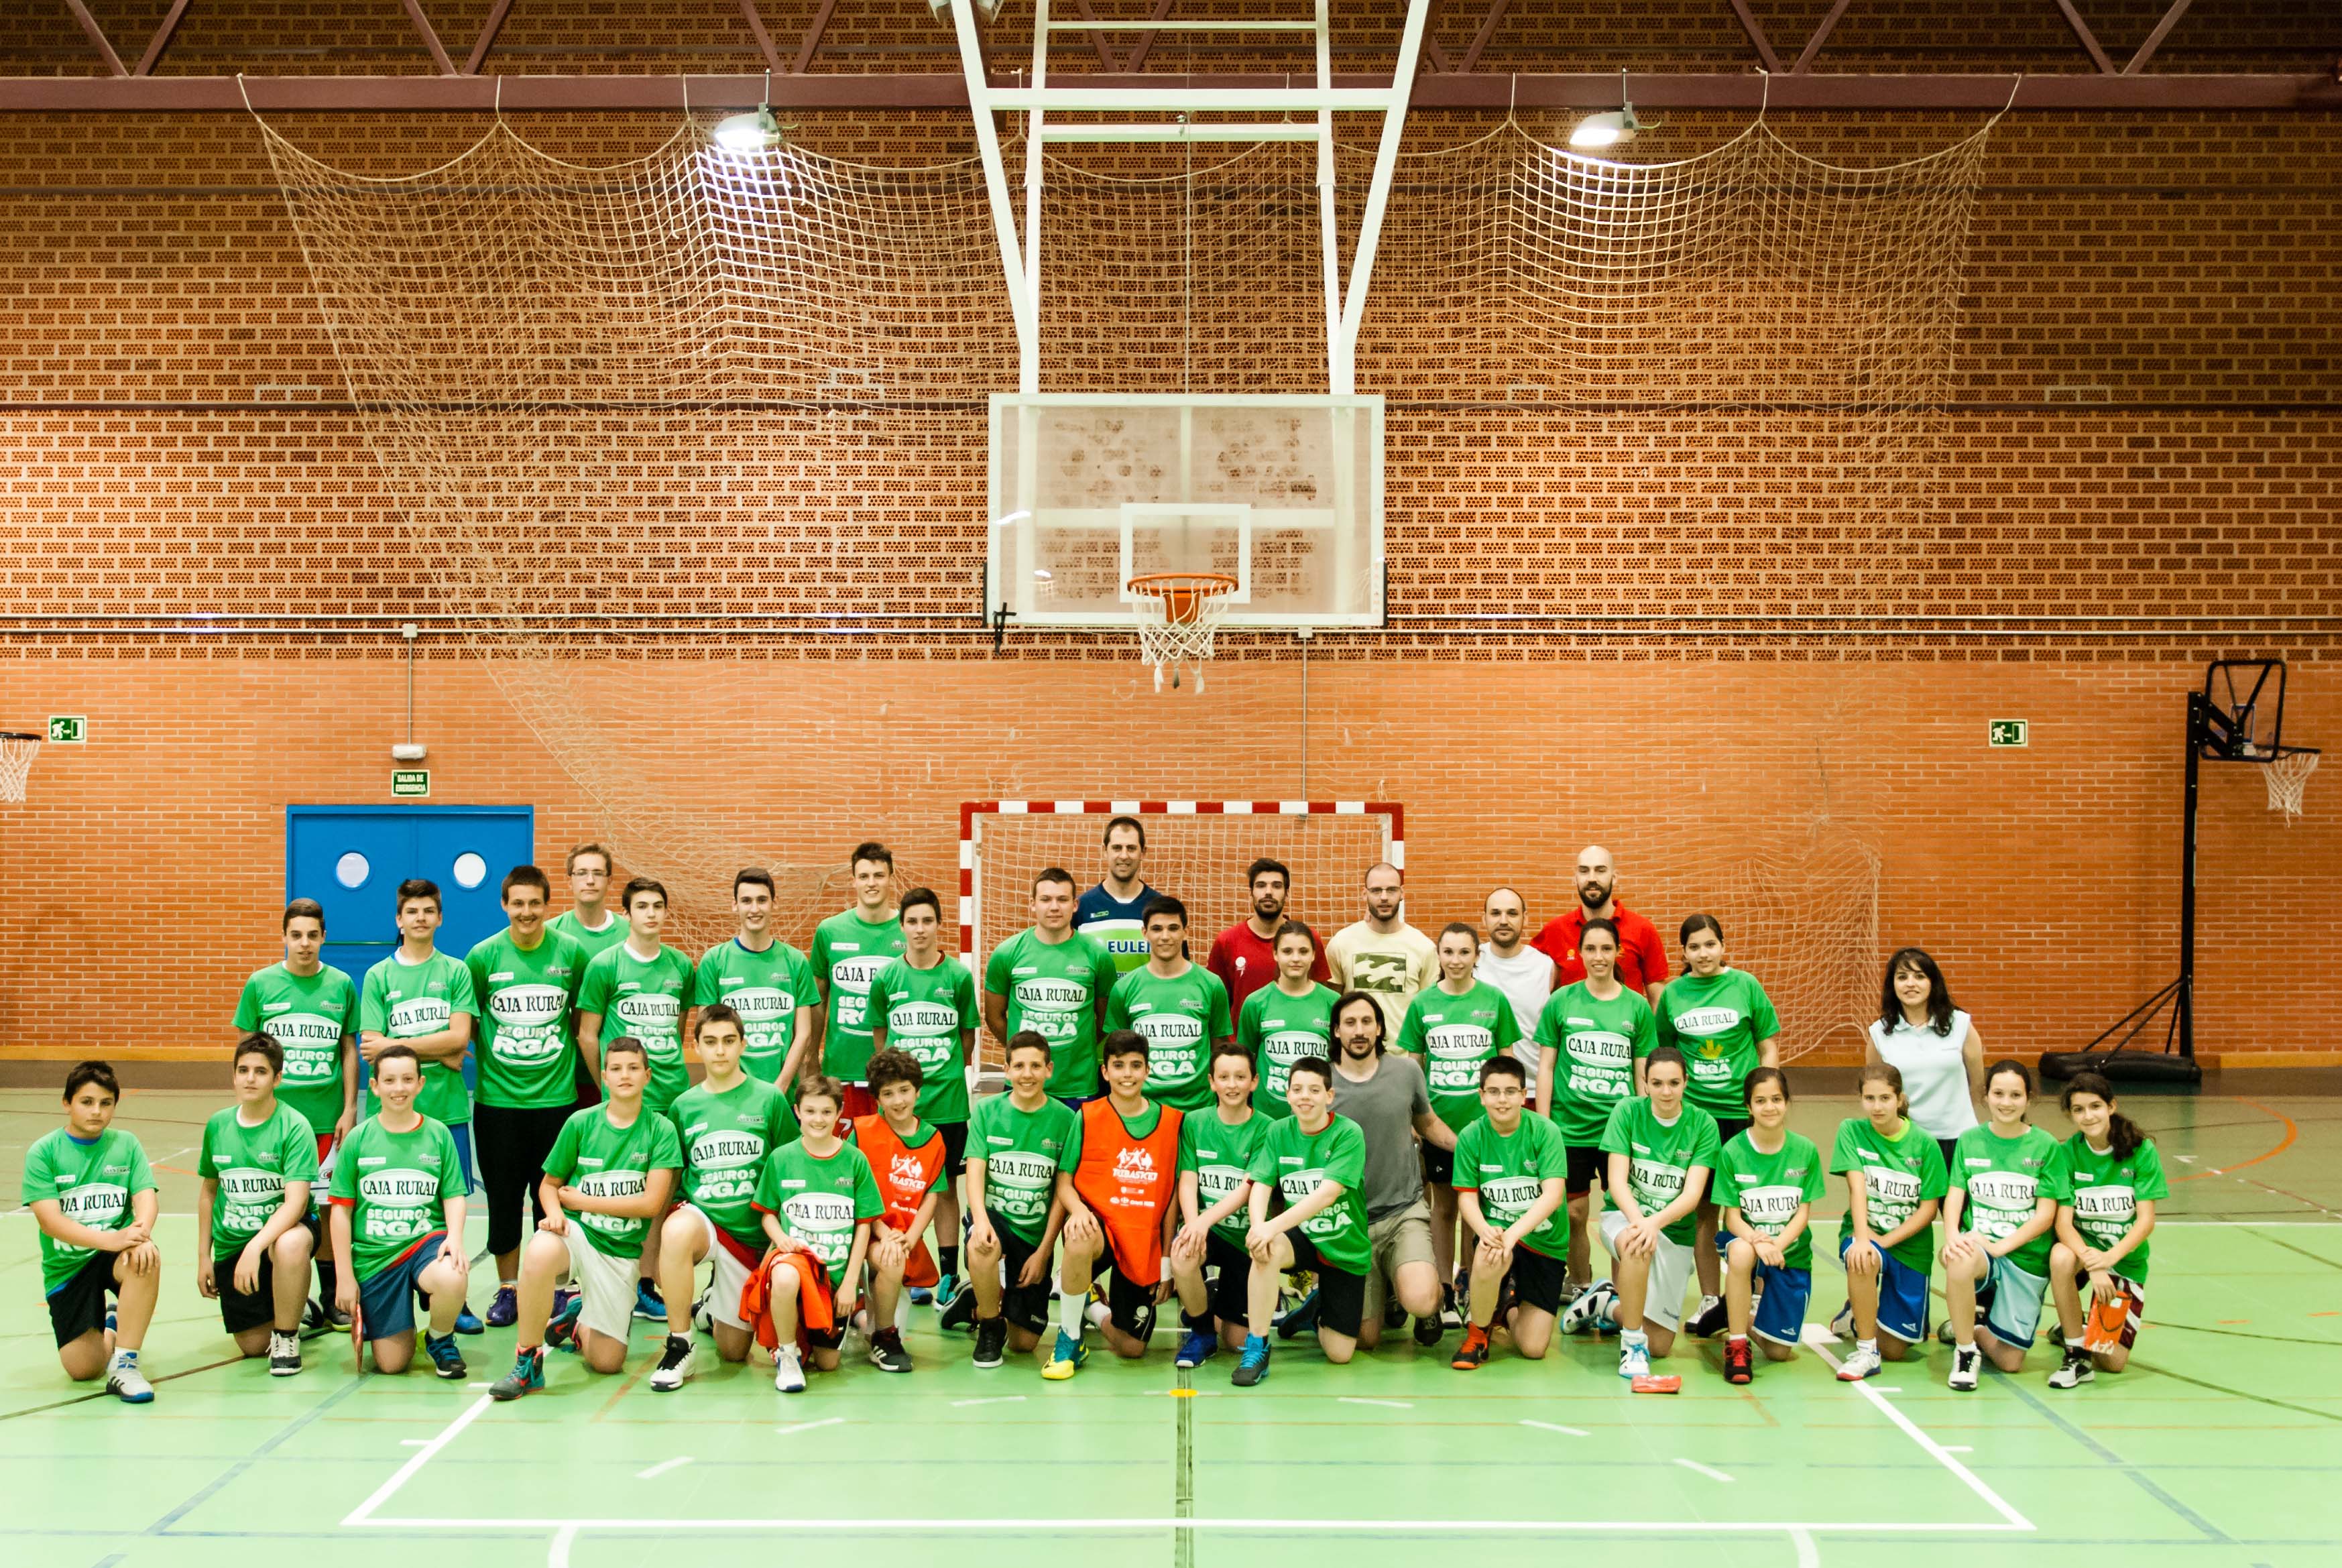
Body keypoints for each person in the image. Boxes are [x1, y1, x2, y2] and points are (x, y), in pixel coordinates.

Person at [489, 1038, 683, 1399]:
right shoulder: (581, 1122)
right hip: (580, 1234)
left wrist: (583, 1199)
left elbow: (652, 1204)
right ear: (604, 1076)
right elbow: (549, 1186)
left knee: (607, 1363)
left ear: (648, 1076)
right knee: (541, 1249)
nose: (625, 1075)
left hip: (621, 1253)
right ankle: (528, 1361)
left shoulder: (661, 1130)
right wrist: (558, 1214)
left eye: (633, 1068)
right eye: (616, 1069)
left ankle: (577, 1321)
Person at [651, 1005, 801, 1391]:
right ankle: (680, 1343)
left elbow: (790, 1169)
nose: (720, 1051)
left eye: (729, 1042)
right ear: (697, 1047)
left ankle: (710, 1306)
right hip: (705, 1221)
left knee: (734, 1352)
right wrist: (655, 1244)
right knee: (678, 1230)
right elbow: (675, 1179)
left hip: (751, 1236)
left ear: (743, 1045)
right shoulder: (684, 1106)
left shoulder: (769, 1100)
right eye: (711, 1042)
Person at [467, 865, 589, 1329]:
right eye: (517, 903)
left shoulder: (570, 953)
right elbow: (472, 1018)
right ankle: (509, 1288)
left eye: (534, 903)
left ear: (547, 904)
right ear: (504, 905)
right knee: (503, 1197)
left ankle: (556, 1288)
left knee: (551, 1200)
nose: (526, 912)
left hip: (557, 1100)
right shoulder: (482, 956)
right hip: (498, 1101)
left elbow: (580, 1017)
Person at [357, 878, 481, 1332]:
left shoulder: (456, 971)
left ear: (440, 916)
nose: (421, 918)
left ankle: (453, 1293)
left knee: (447, 1205)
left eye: (429, 910)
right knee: (396, 1201)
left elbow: (460, 1039)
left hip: (447, 1112)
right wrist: (438, 1050)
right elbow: (371, 1045)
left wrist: (399, 1045)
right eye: (412, 911)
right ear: (399, 919)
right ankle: (391, 1287)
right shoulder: (378, 976)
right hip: (389, 1119)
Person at [1652, 912, 1780, 1337]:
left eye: (1710, 944)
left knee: (1748, 1206)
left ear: (1722, 945)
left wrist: (1762, 1099)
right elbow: (1666, 1054)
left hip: (1740, 1116)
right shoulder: (1673, 995)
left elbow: (1767, 1045)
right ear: (1684, 953)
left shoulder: (1746, 986)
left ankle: (1755, 1293)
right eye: (1694, 947)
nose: (1703, 953)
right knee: (1704, 1211)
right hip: (1699, 1119)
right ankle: (1710, 1296)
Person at [233, 898, 358, 1326]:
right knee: (279, 1206)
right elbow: (248, 1053)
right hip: (277, 1121)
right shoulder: (261, 984)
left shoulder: (341, 984)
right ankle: (291, 1295)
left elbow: (348, 1048)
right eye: (296, 935)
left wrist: (349, 1106)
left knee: (327, 1206)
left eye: (312, 935)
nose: (304, 944)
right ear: (284, 937)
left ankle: (329, 1293)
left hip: (326, 1120)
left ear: (324, 936)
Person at [577, 876, 697, 1316]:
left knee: (662, 1200)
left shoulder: (682, 966)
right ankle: (600, 1280)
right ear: (626, 913)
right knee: (617, 1190)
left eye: (658, 906)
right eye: (642, 906)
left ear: (666, 912)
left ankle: (647, 1282)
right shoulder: (605, 965)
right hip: (625, 1102)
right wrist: (606, 1086)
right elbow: (588, 1035)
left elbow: (680, 1028)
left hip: (669, 1096)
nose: (651, 913)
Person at [1395, 923, 1520, 1325]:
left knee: (1480, 1208)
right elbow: (1414, 1066)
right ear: (1439, 956)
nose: (1455, 960)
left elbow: (1507, 1060)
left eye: (1464, 953)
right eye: (1448, 952)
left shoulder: (1494, 1001)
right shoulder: (1423, 1004)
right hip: (1441, 1127)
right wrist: (1414, 1119)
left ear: (1476, 957)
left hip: (1487, 1128)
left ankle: (1473, 1282)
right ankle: (1444, 1289)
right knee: (1444, 1207)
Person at [1047, 1030, 1185, 1378]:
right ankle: (1070, 1338)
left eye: (1135, 1066)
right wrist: (1078, 1211)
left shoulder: (1171, 1122)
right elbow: (1064, 1182)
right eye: (1118, 1066)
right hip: (1101, 1227)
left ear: (1147, 1070)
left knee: (1132, 1348)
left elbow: (1170, 1200)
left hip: (1143, 1237)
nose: (1127, 1074)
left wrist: (1166, 1262)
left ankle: (1091, 1307)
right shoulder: (1088, 1116)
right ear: (1105, 1072)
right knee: (1078, 1235)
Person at [868, 886, 980, 1312]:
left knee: (946, 1188)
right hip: (900, 1108)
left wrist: (946, 1072)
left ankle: (948, 1271)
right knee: (898, 1187)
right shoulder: (887, 978)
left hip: (947, 1101)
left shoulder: (957, 977)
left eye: (927, 921)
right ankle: (910, 1265)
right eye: (912, 921)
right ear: (902, 927)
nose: (919, 929)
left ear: (938, 925)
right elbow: (883, 1042)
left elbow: (967, 1037)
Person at [328, 1044, 471, 1378]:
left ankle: (439, 1338)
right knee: (392, 1364)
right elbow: (340, 1213)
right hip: (376, 1256)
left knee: (453, 1273)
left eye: (407, 1079)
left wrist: (456, 1238)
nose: (399, 1088)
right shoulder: (359, 1140)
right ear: (375, 1086)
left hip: (424, 1245)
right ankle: (396, 1320)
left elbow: (454, 1196)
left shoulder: (437, 1134)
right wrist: (345, 1277)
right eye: (390, 1080)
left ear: (420, 1083)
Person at [22, 1061, 161, 1401]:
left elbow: (145, 1198)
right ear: (67, 1103)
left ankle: (126, 1366)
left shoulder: (126, 1145)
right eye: (87, 1102)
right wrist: (111, 1238)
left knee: (146, 1256)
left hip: (113, 1255)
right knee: (83, 1370)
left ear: (115, 1104)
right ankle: (111, 1327)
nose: (97, 1111)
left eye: (106, 1103)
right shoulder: (44, 1152)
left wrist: (140, 1232)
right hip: (68, 1266)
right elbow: (50, 1222)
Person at [1536, 918, 1656, 1309]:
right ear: (1580, 953)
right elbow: (1547, 1067)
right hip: (1569, 1128)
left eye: (1607, 949)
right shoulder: (1562, 1001)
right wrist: (1543, 1124)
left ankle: (1622, 1297)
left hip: (1619, 1130)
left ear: (1617, 952)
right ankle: (1583, 1286)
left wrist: (1645, 1121)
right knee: (1573, 1212)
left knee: (1623, 1211)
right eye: (1591, 949)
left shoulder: (1636, 1006)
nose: (1599, 957)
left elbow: (1642, 1072)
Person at [1232, 1057, 1372, 1386]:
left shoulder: (1348, 1134)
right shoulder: (1279, 1131)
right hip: (1302, 1237)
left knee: (1340, 1354)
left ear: (1329, 1095)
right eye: (1297, 1089)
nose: (1304, 1096)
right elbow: (1261, 1183)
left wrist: (1271, 1226)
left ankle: (1314, 1310)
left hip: (1343, 1244)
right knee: (1265, 1249)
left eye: (1313, 1089)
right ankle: (1257, 1346)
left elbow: (1326, 1195)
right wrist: (1258, 1227)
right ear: (1288, 1093)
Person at [1328, 989, 1454, 1347]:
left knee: (1422, 1298)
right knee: (1366, 1339)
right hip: (1350, 1222)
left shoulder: (1405, 1071)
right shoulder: (1322, 1082)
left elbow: (1427, 1123)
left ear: (1380, 1028)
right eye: (1349, 1023)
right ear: (1336, 1031)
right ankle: (1385, 1292)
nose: (1359, 1030)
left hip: (1403, 1210)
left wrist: (1466, 1149)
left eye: (1367, 1022)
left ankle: (1423, 1299)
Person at [752, 1075, 883, 1392]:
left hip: (833, 1278)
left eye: (826, 1112)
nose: (818, 1119)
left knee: (828, 1363)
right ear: (797, 1111)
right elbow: (768, 1214)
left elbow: (864, 1224)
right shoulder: (781, 1158)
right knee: (785, 1273)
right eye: (810, 1111)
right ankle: (787, 1353)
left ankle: (807, 1336)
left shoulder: (854, 1160)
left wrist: (851, 1282)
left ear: (839, 1113)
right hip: (794, 1265)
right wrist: (780, 1239)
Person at [197, 1035, 320, 1376]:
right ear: (234, 1075)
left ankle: (287, 1335)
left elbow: (295, 1204)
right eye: (243, 1070)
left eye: (261, 1072)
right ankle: (295, 1302)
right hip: (234, 1242)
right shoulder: (218, 1125)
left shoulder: (294, 1126)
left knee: (291, 1242)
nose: (250, 1078)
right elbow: (208, 1192)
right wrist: (203, 1257)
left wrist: (256, 1246)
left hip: (279, 1236)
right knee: (252, 1346)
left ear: (277, 1079)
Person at [1598, 1045, 1720, 1378]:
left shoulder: (1703, 1124)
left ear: (1686, 1083)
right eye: (1657, 1083)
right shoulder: (1627, 1111)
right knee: (1638, 1245)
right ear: (1645, 1082)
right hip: (1624, 1218)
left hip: (1673, 1230)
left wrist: (1655, 1224)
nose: (1666, 1091)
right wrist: (1641, 1223)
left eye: (1674, 1083)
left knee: (1663, 1345)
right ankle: (1632, 1343)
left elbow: (1693, 1195)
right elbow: (1617, 1182)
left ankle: (1605, 1304)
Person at [2042, 1071, 2167, 1389]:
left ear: (2111, 1107)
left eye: (2095, 1106)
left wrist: (2109, 1260)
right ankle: (2075, 1353)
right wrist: (2092, 1261)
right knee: (2060, 1257)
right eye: (2078, 1109)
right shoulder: (2067, 1153)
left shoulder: (2141, 1151)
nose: (2088, 1116)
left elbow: (2146, 1221)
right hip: (2083, 1254)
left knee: (2112, 1362)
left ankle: (2077, 1326)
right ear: (2071, 1115)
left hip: (2122, 1258)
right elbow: (2063, 1223)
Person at [1940, 1059, 2059, 1391]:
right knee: (1960, 1258)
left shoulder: (2046, 1145)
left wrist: (2001, 1246)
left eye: (2015, 1095)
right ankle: (1966, 1354)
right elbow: (1955, 1195)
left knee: (2010, 1363)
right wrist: (1953, 1236)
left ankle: (1974, 1329)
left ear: (2028, 1099)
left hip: (2024, 1257)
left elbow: (2046, 1215)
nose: (2006, 1103)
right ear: (1986, 1096)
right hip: (1982, 1249)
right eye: (1998, 1094)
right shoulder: (1970, 1140)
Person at [1830, 1061, 1949, 1382]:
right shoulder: (1851, 1131)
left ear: (1900, 1099)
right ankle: (1867, 1351)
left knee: (1896, 1351)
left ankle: (1857, 1315)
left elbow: (1928, 1210)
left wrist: (1885, 1242)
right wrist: (1865, 1238)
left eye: (1885, 1098)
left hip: (1909, 1245)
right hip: (1867, 1232)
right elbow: (1857, 1189)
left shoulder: (1925, 1144)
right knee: (1862, 1257)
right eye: (1869, 1098)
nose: (1877, 1106)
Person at [964, 1032, 1077, 1370]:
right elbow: (974, 1174)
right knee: (981, 1246)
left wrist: (1044, 1252)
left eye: (1035, 1066)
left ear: (1049, 1070)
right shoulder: (986, 1111)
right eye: (1019, 1066)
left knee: (1024, 1345)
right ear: (1007, 1070)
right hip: (995, 1218)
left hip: (1033, 1235)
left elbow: (1062, 1192)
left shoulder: (1066, 1119)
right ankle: (988, 1323)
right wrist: (980, 1221)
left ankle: (972, 1299)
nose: (1027, 1074)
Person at [1450, 1057, 1570, 1369]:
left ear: (1523, 1094)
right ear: (1481, 1095)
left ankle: (1507, 1306)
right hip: (1499, 1237)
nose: (1501, 1100)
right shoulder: (1471, 1136)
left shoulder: (1546, 1132)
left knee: (1532, 1348)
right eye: (1493, 1092)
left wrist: (1514, 1234)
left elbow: (1553, 1195)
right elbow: (1467, 1199)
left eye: (1509, 1091)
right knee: (1491, 1254)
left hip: (1544, 1242)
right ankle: (1477, 1335)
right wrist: (1484, 1230)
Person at [1714, 1066, 1824, 1384]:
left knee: (1778, 1352)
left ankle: (1733, 1314)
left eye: (1776, 1099)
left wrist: (1776, 1245)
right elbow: (1731, 1218)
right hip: (1746, 1240)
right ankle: (1737, 1343)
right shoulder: (1733, 1151)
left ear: (1788, 1102)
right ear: (1748, 1107)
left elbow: (1803, 1214)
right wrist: (1757, 1241)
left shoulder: (1805, 1150)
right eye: (1760, 1101)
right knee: (1741, 1256)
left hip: (1789, 1249)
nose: (1769, 1107)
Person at [848, 1049, 949, 1373]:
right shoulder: (861, 1132)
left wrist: (912, 1236)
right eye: (888, 1094)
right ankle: (885, 1336)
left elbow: (933, 1196)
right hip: (862, 1231)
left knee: (895, 1256)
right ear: (877, 1098)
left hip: (903, 1236)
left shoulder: (933, 1139)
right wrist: (882, 1230)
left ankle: (866, 1320)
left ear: (918, 1091)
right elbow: (851, 1191)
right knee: (891, 1256)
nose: (898, 1101)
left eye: (904, 1090)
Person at [1170, 1042, 1269, 1368]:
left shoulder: (1266, 1128)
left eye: (1240, 1077)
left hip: (1244, 1239)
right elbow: (1188, 1179)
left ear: (1254, 1082)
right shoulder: (1195, 1123)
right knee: (1183, 1252)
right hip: (1208, 1229)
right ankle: (1201, 1333)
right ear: (1211, 1081)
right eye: (1224, 1077)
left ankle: (1211, 1296)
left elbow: (1247, 1188)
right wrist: (1192, 1224)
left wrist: (1202, 1221)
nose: (1232, 1085)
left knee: (1237, 1342)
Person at [984, 867, 1118, 1104]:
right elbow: (994, 1016)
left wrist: (1078, 1047)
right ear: (1033, 904)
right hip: (1022, 1082)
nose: (1054, 907)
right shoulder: (1007, 953)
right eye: (1046, 899)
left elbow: (1105, 1020)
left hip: (1077, 1085)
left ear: (1075, 905)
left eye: (1062, 899)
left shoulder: (1097, 955)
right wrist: (1020, 1052)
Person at [693, 867, 820, 1090]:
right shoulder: (713, 961)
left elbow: (804, 1034)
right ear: (735, 905)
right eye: (746, 901)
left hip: (783, 1093)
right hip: (730, 1092)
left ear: (774, 903)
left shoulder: (796, 961)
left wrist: (780, 1087)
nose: (755, 909)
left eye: (762, 900)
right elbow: (707, 1033)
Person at [1105, 896, 1234, 1113]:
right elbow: (1119, 1052)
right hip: (1143, 1109)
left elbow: (1219, 1048)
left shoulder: (1211, 984)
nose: (1165, 937)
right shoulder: (1124, 988)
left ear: (1186, 932)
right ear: (1145, 933)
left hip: (1197, 1110)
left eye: (1173, 928)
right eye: (1157, 929)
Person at [809, 841, 906, 1119]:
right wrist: (812, 1057)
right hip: (842, 1068)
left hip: (894, 1073)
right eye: (864, 876)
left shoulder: (909, 929)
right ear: (853, 881)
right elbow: (817, 1001)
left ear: (891, 878)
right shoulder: (830, 931)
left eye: (879, 875)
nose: (871, 883)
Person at [1869, 948, 1983, 1172]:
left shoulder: (1960, 1024)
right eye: (1902, 977)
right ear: (1893, 986)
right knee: (1913, 1208)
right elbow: (1875, 1086)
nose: (1911, 983)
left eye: (1919, 976)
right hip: (1907, 1139)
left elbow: (1978, 1082)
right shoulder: (1879, 1032)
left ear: (1933, 983)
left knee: (1960, 1208)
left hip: (1958, 1137)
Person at [1530, 845, 1670, 1004]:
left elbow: (1657, 999)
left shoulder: (1643, 929)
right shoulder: (1554, 931)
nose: (1592, 878)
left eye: (1600, 870)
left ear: (1615, 877)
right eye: (1584, 871)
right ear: (1575, 878)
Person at [1236, 921, 1338, 1118]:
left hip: (1318, 1120)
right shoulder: (1256, 1003)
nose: (1296, 959)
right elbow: (1244, 1062)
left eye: (1303, 951)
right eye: (1287, 951)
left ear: (1314, 955)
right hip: (1267, 1120)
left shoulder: (1332, 1003)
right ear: (1275, 954)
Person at [1206, 857, 1331, 1017]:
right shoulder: (1227, 941)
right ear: (1250, 892)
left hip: (1293, 1036)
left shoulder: (1308, 939)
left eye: (1277, 886)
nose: (1268, 892)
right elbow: (1217, 1003)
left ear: (1287, 894)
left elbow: (1321, 997)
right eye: (1261, 885)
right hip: (1242, 1041)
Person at [1326, 863, 1436, 1040]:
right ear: (1364, 894)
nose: (1384, 897)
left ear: (1402, 893)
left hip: (1403, 1057)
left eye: (1391, 890)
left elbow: (1428, 1009)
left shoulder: (1424, 947)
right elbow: (1332, 1005)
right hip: (1355, 1055)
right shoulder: (1341, 943)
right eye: (1376, 891)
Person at [1475, 887, 1555, 1091]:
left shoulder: (1545, 967)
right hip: (1485, 1089)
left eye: (1512, 913)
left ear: (1525, 918)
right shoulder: (1471, 962)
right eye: (1495, 913)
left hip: (1534, 1088)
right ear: (1484, 919)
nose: (1503, 921)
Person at [1075, 814, 1160, 975]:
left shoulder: (1160, 907)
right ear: (1104, 851)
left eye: (1131, 848)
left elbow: (1177, 970)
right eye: (1116, 848)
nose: (1124, 855)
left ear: (1143, 852)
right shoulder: (1082, 907)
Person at [548, 841, 630, 960]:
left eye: (598, 873)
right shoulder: (550, 932)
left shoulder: (629, 932)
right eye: (582, 873)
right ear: (570, 881)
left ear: (610, 880)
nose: (590, 881)